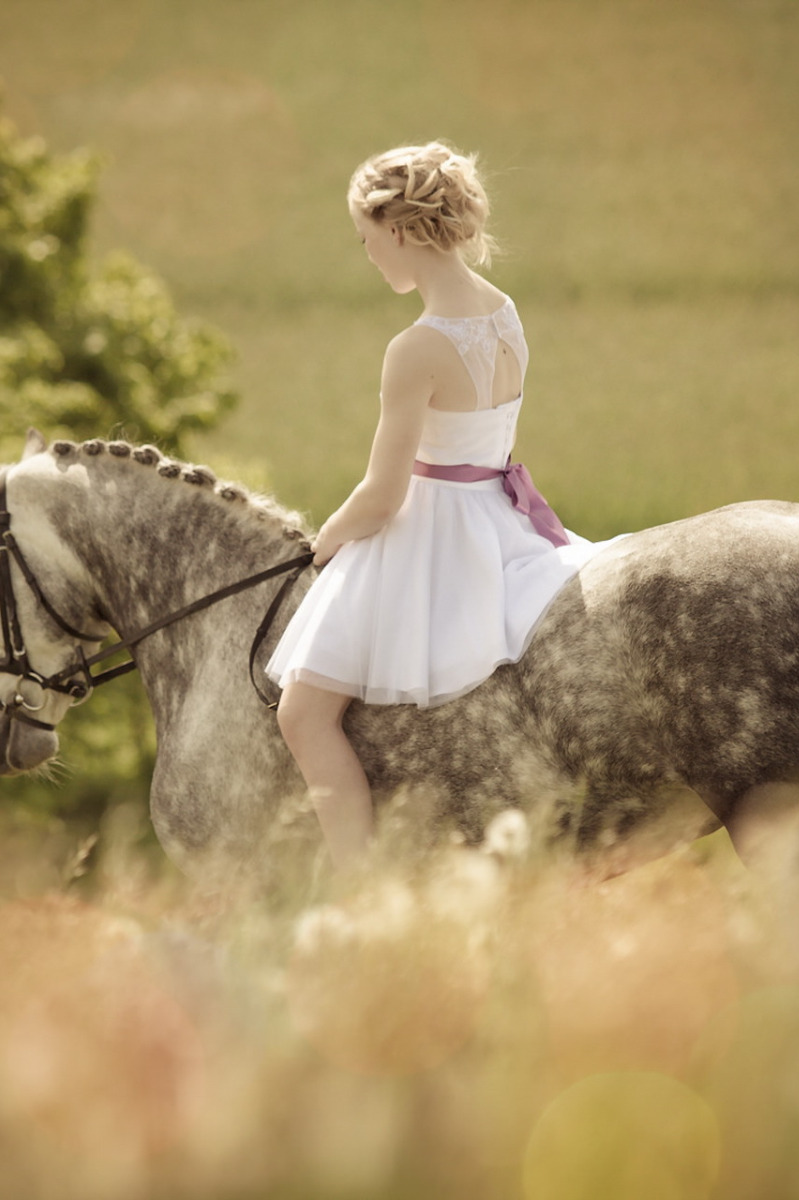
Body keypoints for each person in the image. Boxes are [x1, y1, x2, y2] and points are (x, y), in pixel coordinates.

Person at [266, 142, 607, 868]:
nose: (369, 256)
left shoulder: (415, 347)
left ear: (397, 230)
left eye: (366, 239)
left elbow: (383, 498)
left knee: (302, 714)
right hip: (500, 514)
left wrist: (322, 543)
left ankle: (358, 883)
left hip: (433, 531)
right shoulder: (505, 311)